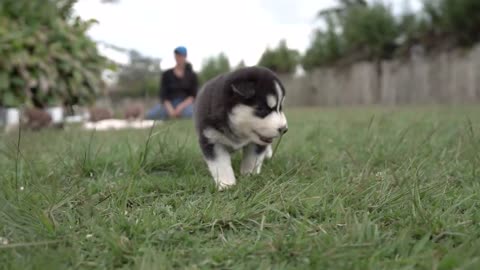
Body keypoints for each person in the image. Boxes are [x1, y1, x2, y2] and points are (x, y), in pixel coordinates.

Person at [146, 46, 198, 120]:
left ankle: (177, 115)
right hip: (169, 104)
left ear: (185, 57)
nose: (179, 58)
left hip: (185, 105)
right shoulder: (166, 74)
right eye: (177, 55)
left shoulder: (192, 75)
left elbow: (193, 95)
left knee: (193, 113)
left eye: (181, 56)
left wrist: (180, 107)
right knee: (150, 115)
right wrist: (170, 109)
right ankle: (172, 115)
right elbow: (163, 94)